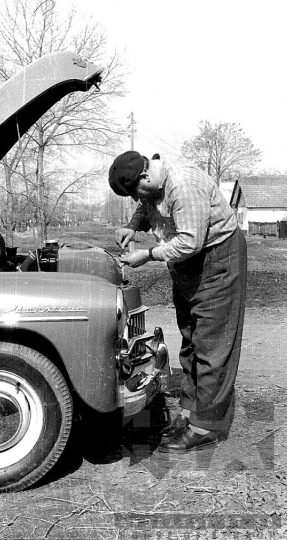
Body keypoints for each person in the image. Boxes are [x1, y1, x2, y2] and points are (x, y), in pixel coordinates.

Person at [108, 150, 247, 452]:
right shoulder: (152, 186)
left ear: (145, 175)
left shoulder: (182, 184)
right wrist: (133, 225)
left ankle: (206, 427)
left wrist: (146, 254)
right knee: (190, 337)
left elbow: (189, 242)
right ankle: (188, 412)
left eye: (135, 192)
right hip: (189, 264)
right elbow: (147, 207)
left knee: (212, 342)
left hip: (217, 258)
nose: (136, 200)